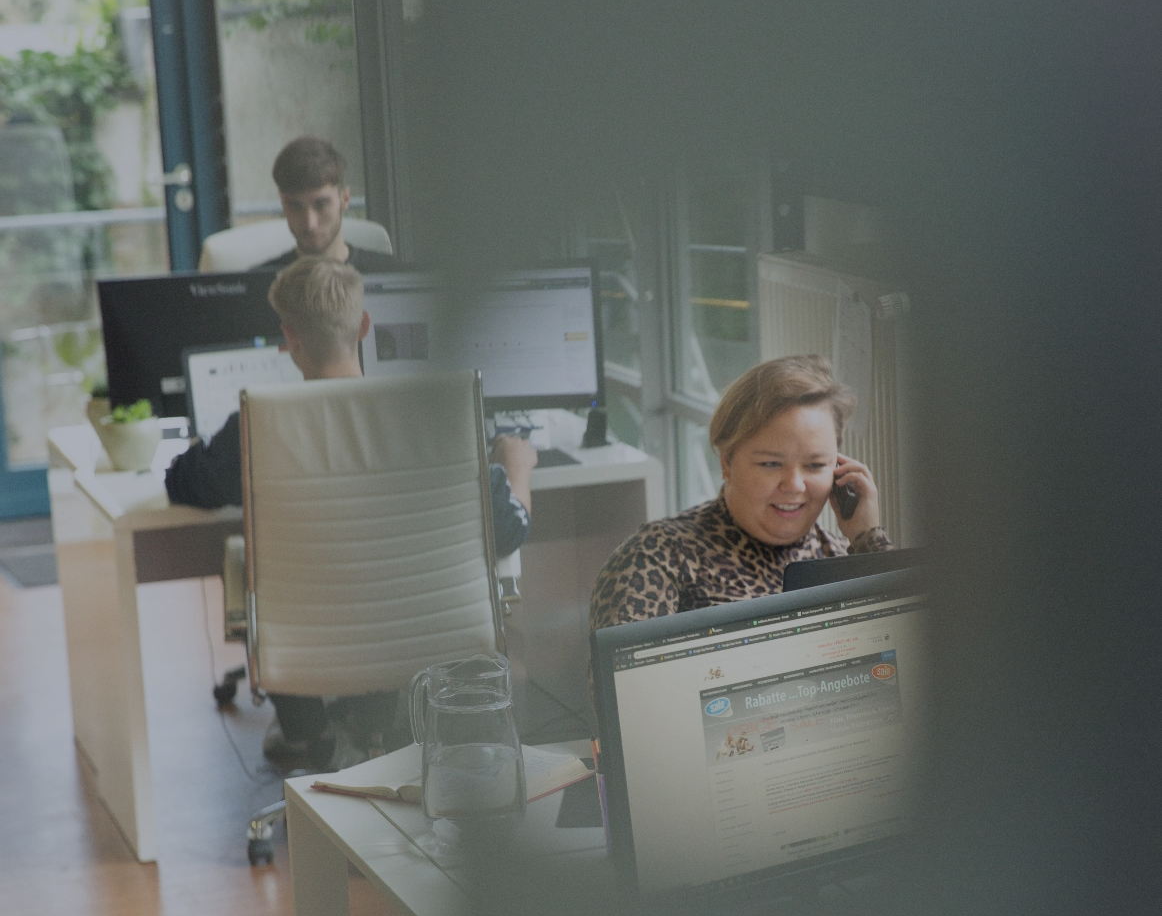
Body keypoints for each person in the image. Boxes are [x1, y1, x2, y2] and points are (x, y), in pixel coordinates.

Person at [165, 256, 535, 767]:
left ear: (289, 338)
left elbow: (181, 482)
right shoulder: (437, 416)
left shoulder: (258, 426)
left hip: (309, 656)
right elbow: (510, 529)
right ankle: (386, 723)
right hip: (424, 647)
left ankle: (309, 732)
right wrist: (517, 467)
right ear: (364, 326)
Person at [589, 354, 891, 633]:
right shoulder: (656, 558)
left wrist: (869, 541)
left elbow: (911, 663)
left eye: (815, 465)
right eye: (771, 464)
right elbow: (625, 688)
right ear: (726, 462)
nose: (795, 485)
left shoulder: (839, 556)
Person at [257, 135, 397, 274]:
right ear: (283, 205)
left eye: (321, 205)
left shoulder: (394, 275)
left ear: (345, 199)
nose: (310, 224)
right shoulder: (257, 285)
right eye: (295, 207)